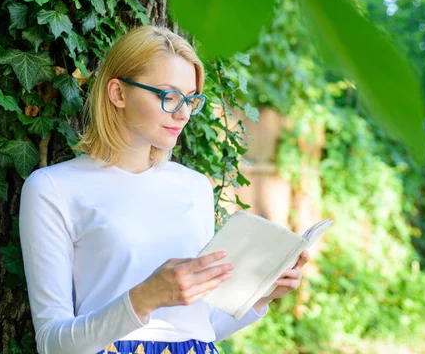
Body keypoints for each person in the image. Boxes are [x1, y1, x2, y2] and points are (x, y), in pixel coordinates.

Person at [19, 25, 310, 354]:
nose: (184, 113)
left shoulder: (194, 187)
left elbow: (199, 329)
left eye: (190, 99)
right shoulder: (53, 188)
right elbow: (52, 343)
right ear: (118, 93)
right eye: (169, 97)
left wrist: (260, 294)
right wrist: (144, 298)